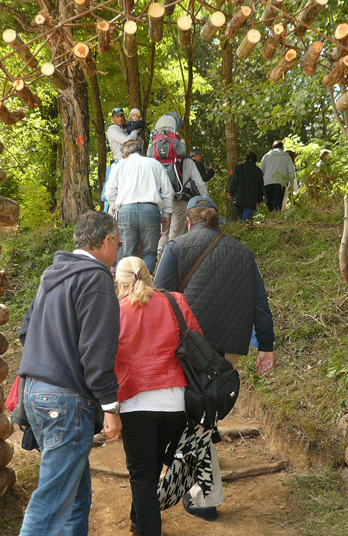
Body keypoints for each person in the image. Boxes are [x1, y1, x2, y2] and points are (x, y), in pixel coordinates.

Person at [153, 196, 276, 521]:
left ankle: (204, 496)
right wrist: (267, 345)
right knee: (202, 414)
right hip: (228, 352)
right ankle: (198, 483)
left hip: (190, 347)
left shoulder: (177, 247)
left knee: (196, 419)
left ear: (190, 222)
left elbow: (159, 297)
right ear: (216, 222)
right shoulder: (243, 251)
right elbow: (260, 303)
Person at [15, 211, 123, 536]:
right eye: (117, 243)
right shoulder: (97, 278)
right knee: (50, 504)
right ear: (106, 242)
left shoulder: (53, 273)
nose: (117, 249)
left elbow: (25, 331)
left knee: (76, 495)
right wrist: (111, 408)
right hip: (65, 401)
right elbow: (98, 351)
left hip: (33, 392)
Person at [113, 256, 197, 536]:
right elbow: (197, 340)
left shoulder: (116, 311)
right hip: (175, 401)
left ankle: (148, 529)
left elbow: (108, 357)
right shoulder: (175, 301)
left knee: (142, 476)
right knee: (150, 467)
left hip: (135, 401)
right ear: (148, 275)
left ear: (120, 282)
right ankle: (138, 521)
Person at [105, 140, 174, 273]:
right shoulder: (154, 163)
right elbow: (168, 191)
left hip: (126, 210)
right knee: (149, 252)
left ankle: (128, 287)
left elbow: (110, 193)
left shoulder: (119, 165)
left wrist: (116, 207)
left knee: (127, 253)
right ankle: (146, 287)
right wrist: (166, 214)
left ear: (125, 155)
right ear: (141, 152)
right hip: (150, 210)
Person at [148, 113, 207, 255]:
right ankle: (169, 263)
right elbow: (199, 183)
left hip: (161, 201)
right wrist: (205, 200)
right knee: (175, 236)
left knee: (164, 233)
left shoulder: (154, 161)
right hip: (179, 200)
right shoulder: (186, 162)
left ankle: (159, 257)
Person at [259, 140, 296, 212]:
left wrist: (261, 182)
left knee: (269, 204)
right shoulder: (286, 156)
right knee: (277, 204)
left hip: (268, 183)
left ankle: (270, 218)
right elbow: (291, 170)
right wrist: (291, 181)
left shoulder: (266, 156)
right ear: (282, 148)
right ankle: (276, 218)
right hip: (280, 183)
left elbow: (261, 170)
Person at [228, 150, 264, 222]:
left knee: (241, 218)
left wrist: (230, 193)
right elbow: (260, 187)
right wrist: (259, 200)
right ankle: (245, 229)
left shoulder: (239, 167)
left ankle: (243, 229)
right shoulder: (258, 171)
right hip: (251, 199)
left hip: (240, 197)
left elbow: (234, 181)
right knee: (247, 219)